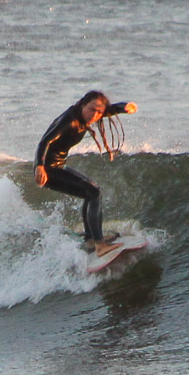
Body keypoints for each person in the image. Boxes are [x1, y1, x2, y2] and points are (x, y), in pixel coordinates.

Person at [34, 90, 137, 256]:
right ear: (83, 105)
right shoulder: (69, 120)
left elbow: (107, 110)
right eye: (91, 109)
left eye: (99, 112)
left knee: (91, 192)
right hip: (48, 169)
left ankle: (91, 238)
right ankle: (100, 245)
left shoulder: (86, 115)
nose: (95, 115)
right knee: (94, 192)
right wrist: (39, 166)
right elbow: (45, 141)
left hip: (59, 166)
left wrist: (125, 107)